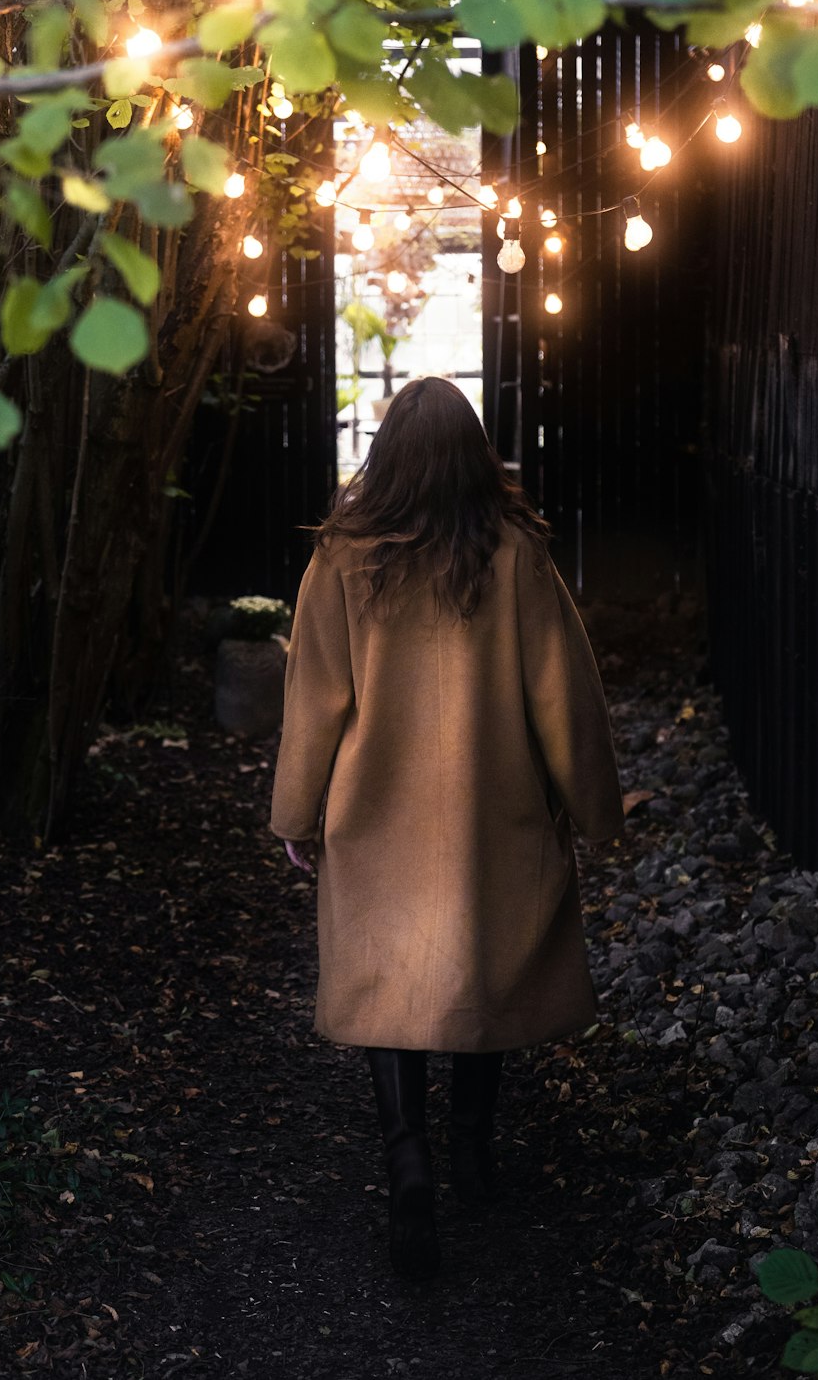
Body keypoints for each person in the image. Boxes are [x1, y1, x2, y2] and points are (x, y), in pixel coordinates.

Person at [269, 377, 624, 1280]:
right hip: (489, 809)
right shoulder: (513, 552)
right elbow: (562, 691)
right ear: (474, 454)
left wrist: (296, 812)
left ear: (386, 455)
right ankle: (473, 1156)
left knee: (389, 978)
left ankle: (408, 1162)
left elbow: (316, 696)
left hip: (376, 810)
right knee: (485, 969)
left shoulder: (342, 557)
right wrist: (593, 807)